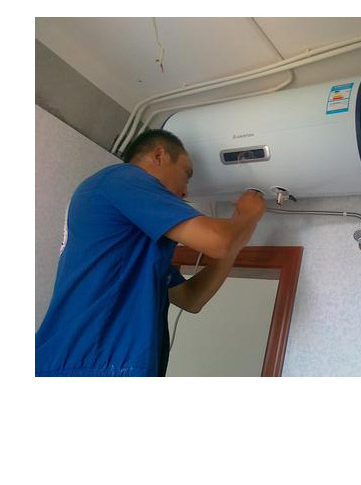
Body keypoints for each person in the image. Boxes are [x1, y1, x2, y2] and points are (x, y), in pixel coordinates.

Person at [35, 129, 266, 377]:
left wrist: (237, 236)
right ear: (159, 156)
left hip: (92, 363)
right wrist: (248, 215)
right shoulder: (122, 178)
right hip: (88, 362)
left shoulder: (140, 246)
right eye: (186, 174)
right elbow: (218, 241)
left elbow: (192, 298)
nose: (185, 191)